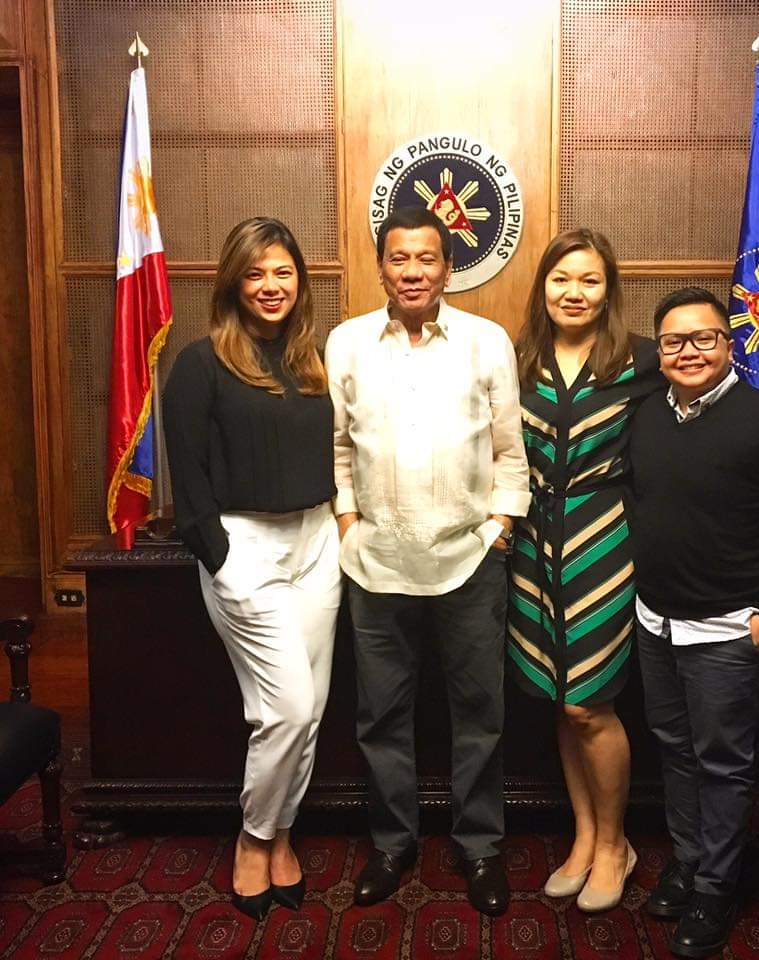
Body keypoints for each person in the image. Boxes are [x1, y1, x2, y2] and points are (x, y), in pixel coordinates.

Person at [507, 231, 759, 913]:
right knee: (561, 699)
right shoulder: (517, 358)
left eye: (589, 279)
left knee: (588, 701)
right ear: (543, 286)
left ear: (608, 290)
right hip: (533, 545)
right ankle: (586, 837)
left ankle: (617, 843)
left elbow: (718, 384)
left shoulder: (643, 358)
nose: (574, 292)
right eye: (561, 278)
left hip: (605, 546)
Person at [324, 206, 530, 917]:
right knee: (381, 714)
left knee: (479, 712)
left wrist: (500, 526)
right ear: (381, 267)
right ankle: (393, 843)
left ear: (448, 267)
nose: (413, 271)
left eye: (427, 258)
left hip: (471, 560)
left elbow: (509, 449)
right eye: (399, 258)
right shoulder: (347, 343)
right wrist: (349, 525)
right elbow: (339, 447)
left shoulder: (486, 341)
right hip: (375, 564)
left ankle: (479, 846)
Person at [630, 287, 759, 958]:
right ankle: (690, 862)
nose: (689, 351)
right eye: (674, 341)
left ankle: (717, 887)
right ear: (659, 351)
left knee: (722, 764)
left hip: (728, 631)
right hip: (655, 622)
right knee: (675, 752)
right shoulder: (646, 413)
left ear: (730, 343)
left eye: (704, 338)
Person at [162, 218, 341, 921]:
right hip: (245, 547)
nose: (271, 285)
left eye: (283, 272)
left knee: (308, 709)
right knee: (285, 708)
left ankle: (282, 834)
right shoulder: (200, 363)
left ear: (300, 281)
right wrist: (222, 559)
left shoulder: (313, 362)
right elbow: (188, 479)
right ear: (233, 283)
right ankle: (254, 837)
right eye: (255, 273)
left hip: (317, 543)